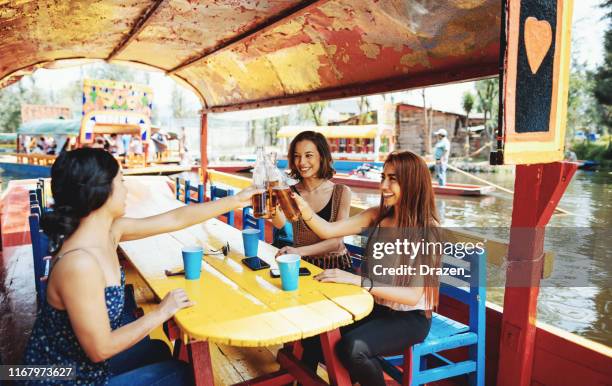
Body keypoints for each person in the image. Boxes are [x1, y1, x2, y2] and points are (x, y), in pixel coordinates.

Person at [23, 148, 259, 385]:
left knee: (156, 349)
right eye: (121, 181)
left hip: (80, 363)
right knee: (182, 374)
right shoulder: (79, 264)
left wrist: (237, 200)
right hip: (62, 378)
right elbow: (100, 349)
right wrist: (161, 311)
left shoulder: (109, 232)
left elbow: (176, 219)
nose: (126, 188)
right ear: (101, 190)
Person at [290, 150, 441, 386]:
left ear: (412, 183)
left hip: (411, 318)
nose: (383, 185)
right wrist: (303, 208)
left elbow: (412, 296)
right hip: (376, 306)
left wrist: (357, 282)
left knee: (353, 348)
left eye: (393, 179)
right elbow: (329, 231)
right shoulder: (378, 215)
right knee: (313, 333)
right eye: (383, 177)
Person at [272, 131, 352, 270]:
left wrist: (298, 251)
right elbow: (280, 224)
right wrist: (272, 202)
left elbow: (336, 242)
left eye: (308, 155)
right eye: (297, 156)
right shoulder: (290, 192)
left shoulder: (341, 192)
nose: (302, 162)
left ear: (322, 157)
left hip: (336, 266)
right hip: (302, 264)